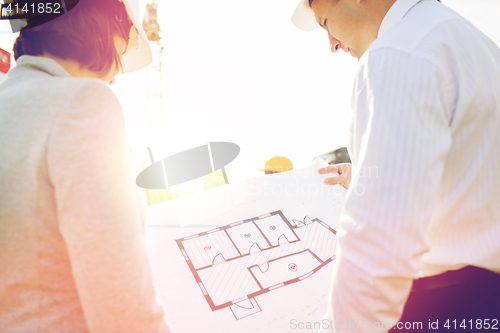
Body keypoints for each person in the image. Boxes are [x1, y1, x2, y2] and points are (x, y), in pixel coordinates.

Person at [292, 0, 500, 331]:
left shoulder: (397, 53)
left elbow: (379, 242)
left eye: (326, 22)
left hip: (445, 309)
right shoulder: (469, 39)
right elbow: (467, 169)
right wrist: (363, 174)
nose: (331, 43)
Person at [0, 1, 170, 332]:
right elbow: (121, 306)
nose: (116, 74)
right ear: (103, 23)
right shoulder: (82, 102)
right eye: (125, 46)